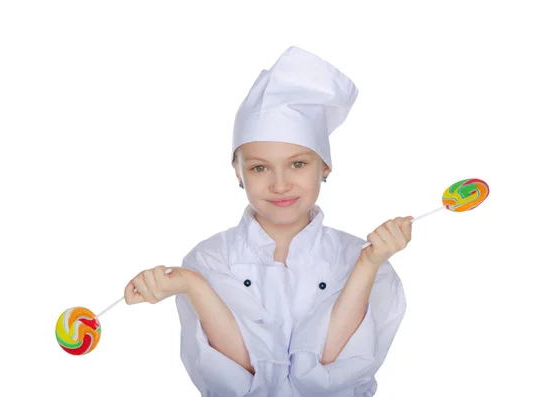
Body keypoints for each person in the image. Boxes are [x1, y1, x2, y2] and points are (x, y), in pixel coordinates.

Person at [124, 45, 412, 397]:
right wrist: (191, 284)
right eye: (260, 167)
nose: (279, 184)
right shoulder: (209, 259)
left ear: (325, 167)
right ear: (238, 172)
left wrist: (368, 264)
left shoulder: (364, 259)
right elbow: (244, 379)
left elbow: (325, 373)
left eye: (297, 164)